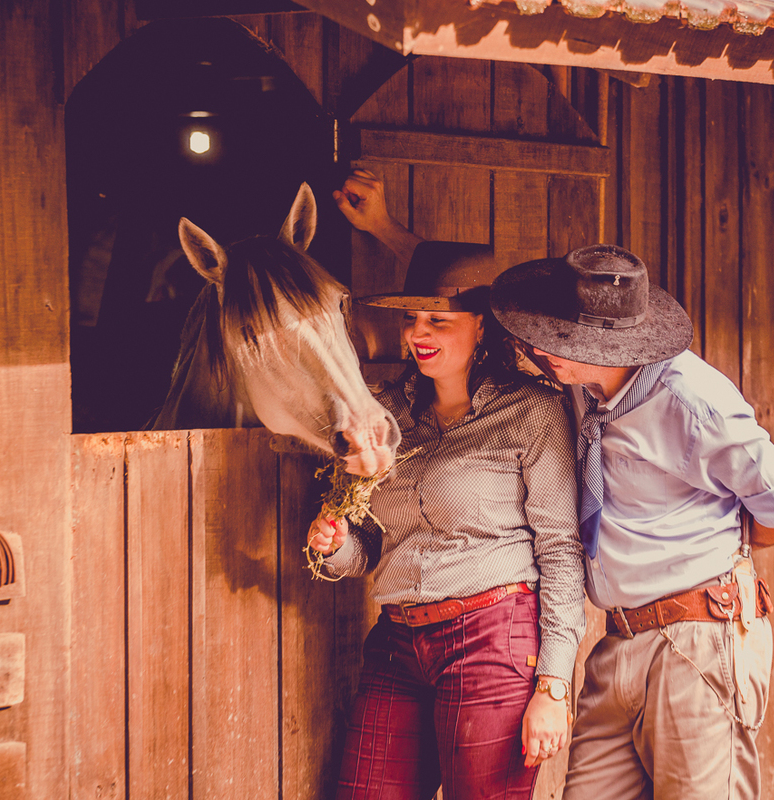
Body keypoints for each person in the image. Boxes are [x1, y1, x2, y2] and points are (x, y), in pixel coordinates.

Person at [488, 245, 774, 800]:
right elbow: (457, 299)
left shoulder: (691, 402)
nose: (541, 349)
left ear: (610, 344)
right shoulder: (582, 385)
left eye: (561, 340)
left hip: (696, 639)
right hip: (619, 640)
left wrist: (721, 556)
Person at [306, 172, 586, 799]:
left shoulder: (531, 412)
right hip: (398, 638)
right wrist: (332, 547)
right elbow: (368, 551)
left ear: (482, 327)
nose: (418, 334)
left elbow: (561, 551)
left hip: (494, 635)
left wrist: (553, 686)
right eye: (412, 320)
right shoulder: (386, 416)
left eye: (438, 319)